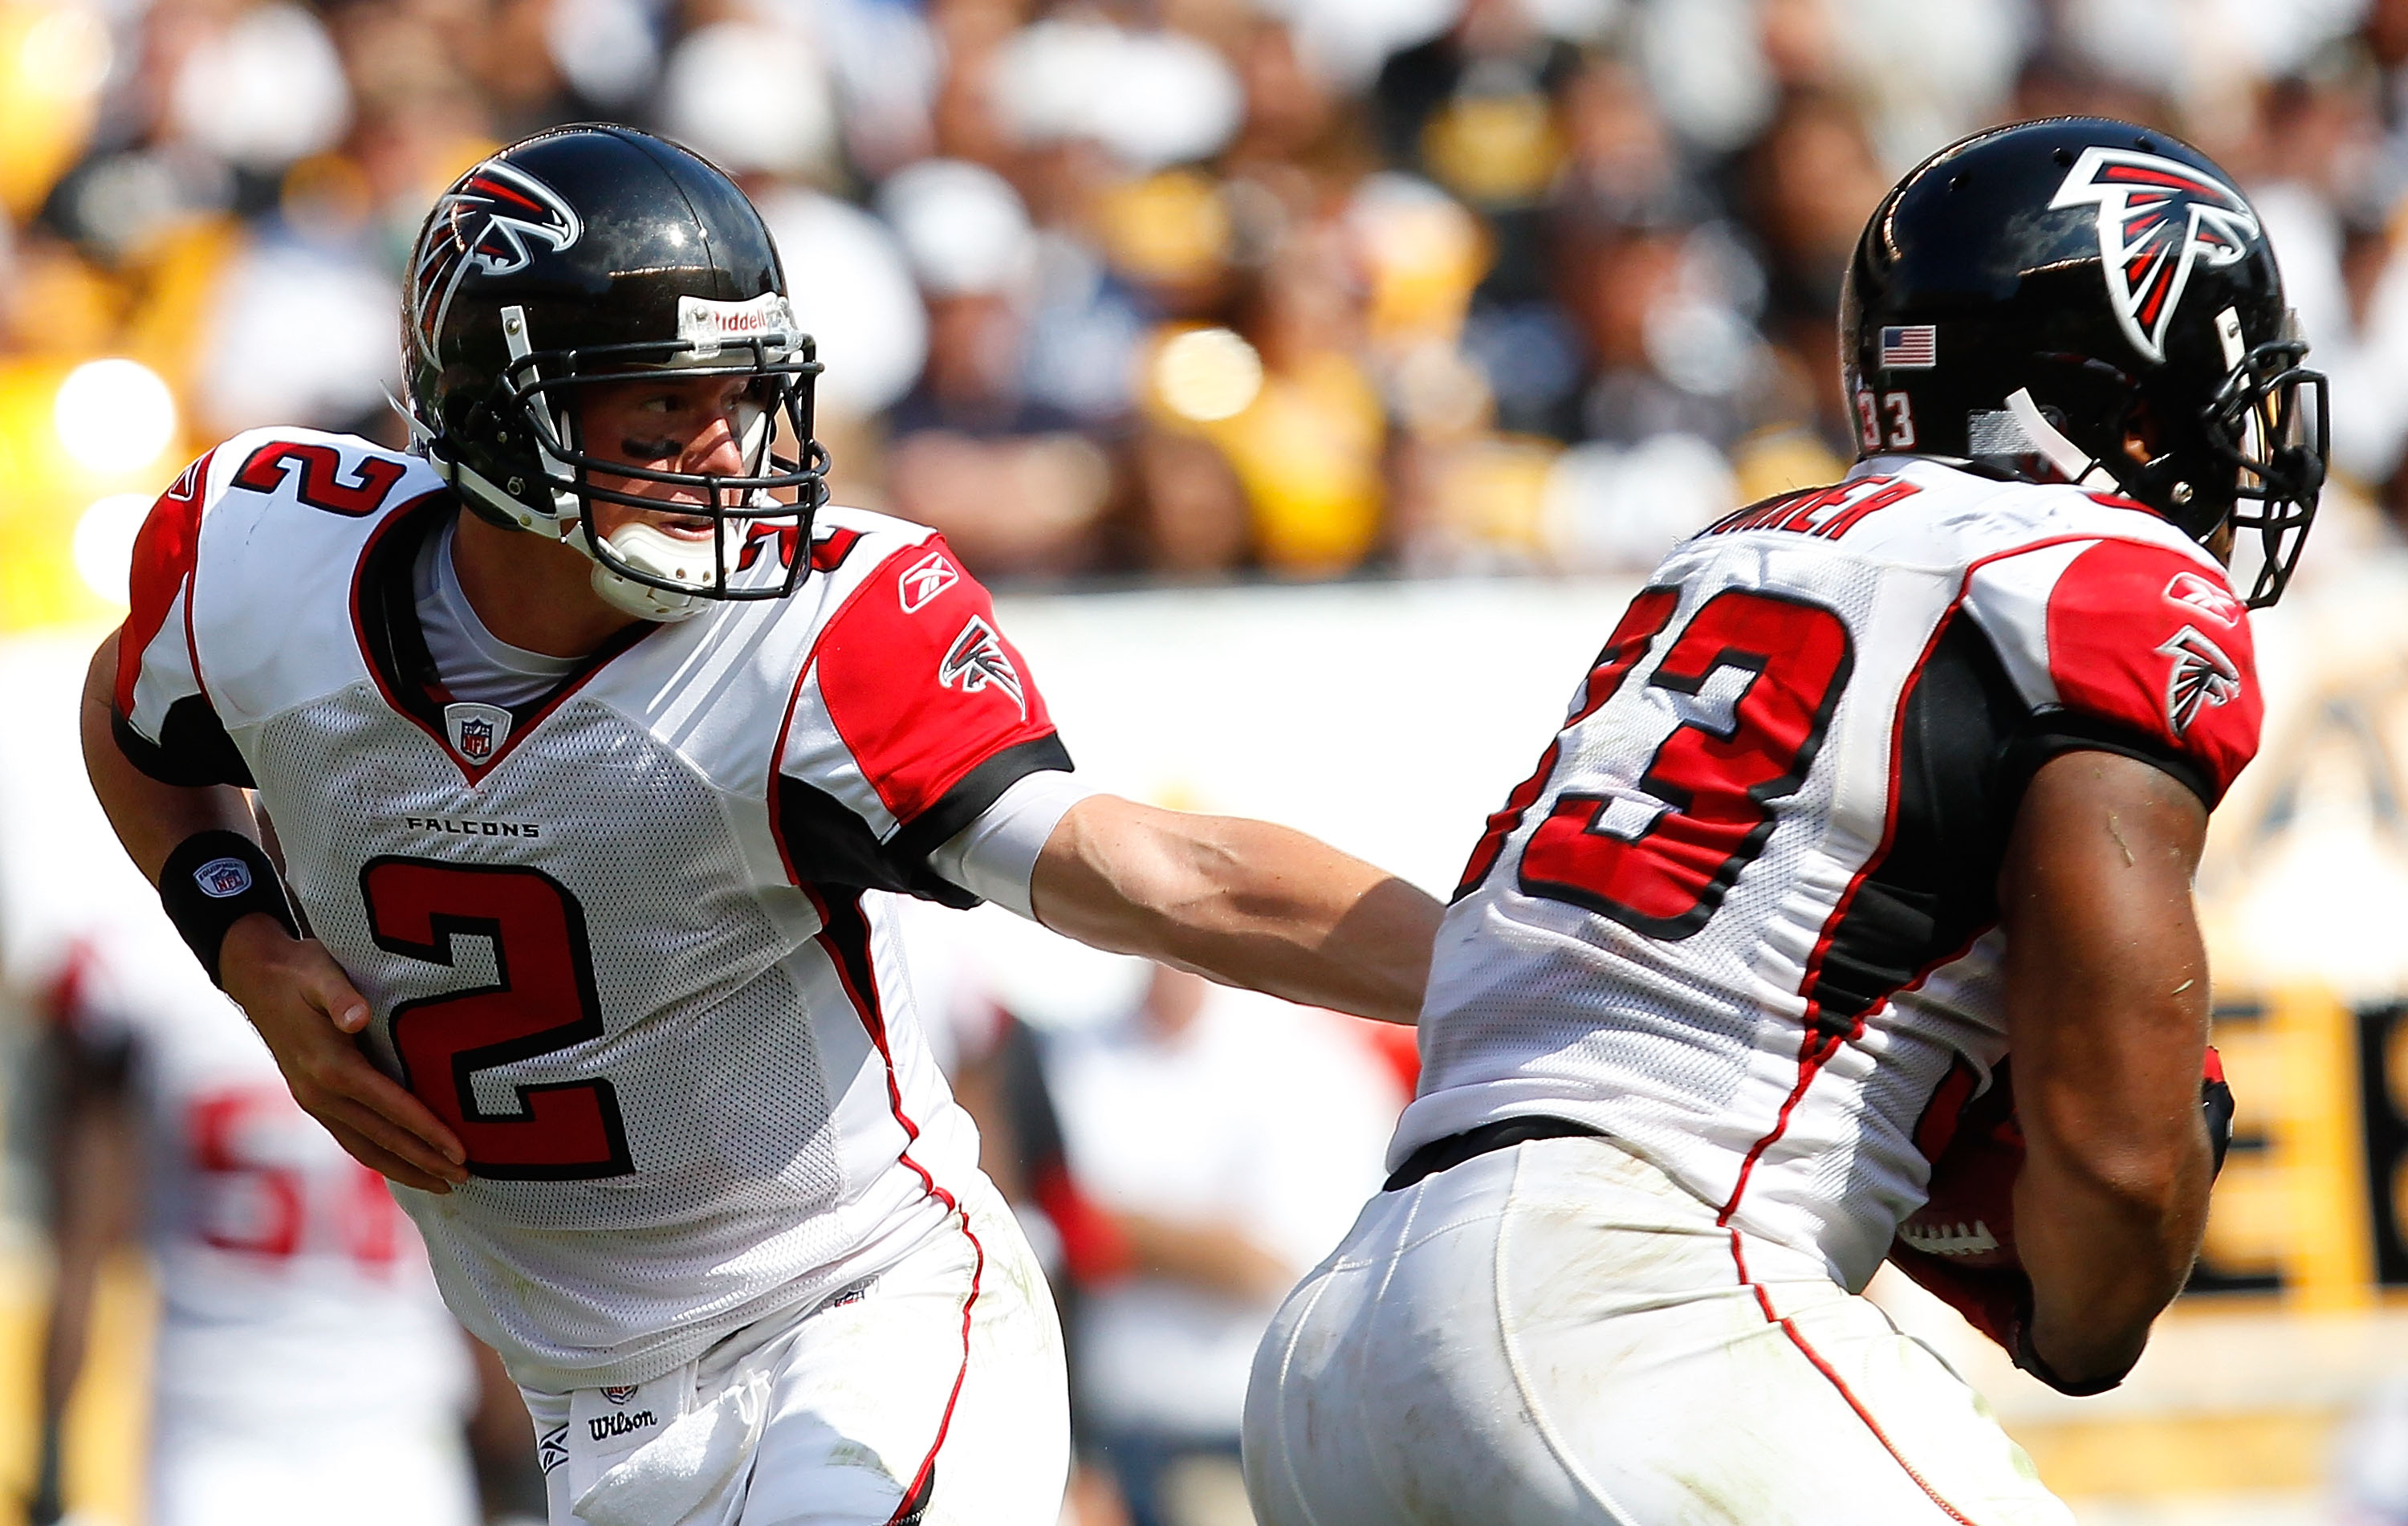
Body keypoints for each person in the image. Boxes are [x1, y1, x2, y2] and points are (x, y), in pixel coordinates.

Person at [80, 124, 1440, 1526]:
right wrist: (237, 935)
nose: (726, 446)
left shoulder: (814, 636)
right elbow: (127, 719)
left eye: (743, 392)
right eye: (661, 407)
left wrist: (1536, 969)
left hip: (862, 1319)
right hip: (589, 1402)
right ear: (497, 410)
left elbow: (1153, 872)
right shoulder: (263, 561)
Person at [1242, 116, 2326, 1526]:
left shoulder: (1738, 551)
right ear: (2084, 390)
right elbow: (2107, 1219)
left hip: (1339, 1346)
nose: (2208, 442)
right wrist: (2153, 1147)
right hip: (1642, 1300)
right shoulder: (2100, 578)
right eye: (2178, 396)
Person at [28, 925, 495, 1526]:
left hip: (396, 1422)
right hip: (217, 1429)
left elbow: (482, 1227)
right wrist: (49, 1454)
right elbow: (83, 1240)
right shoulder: (145, 974)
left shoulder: (413, 951)